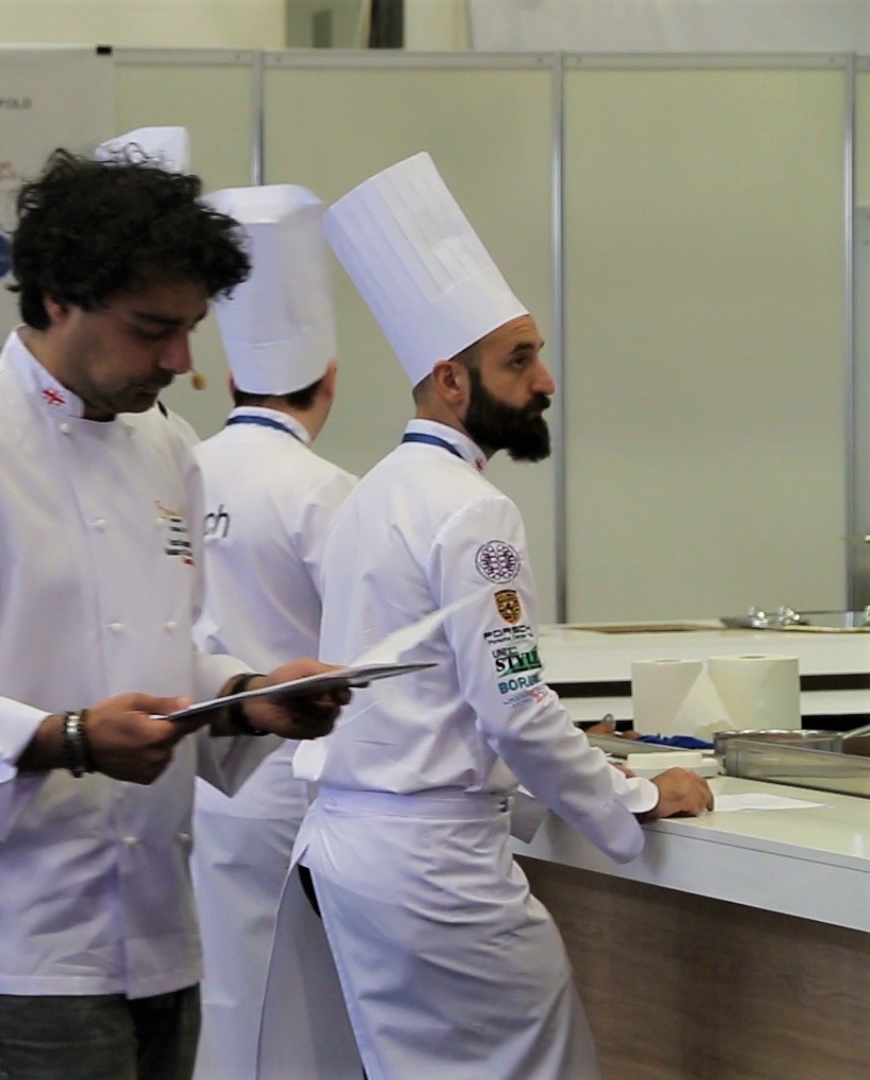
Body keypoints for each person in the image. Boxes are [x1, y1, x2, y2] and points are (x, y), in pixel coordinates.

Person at [0, 129, 348, 1080]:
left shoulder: (167, 446)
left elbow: (162, 653)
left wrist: (247, 699)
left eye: (190, 328)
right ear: (56, 299)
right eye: (153, 329)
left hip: (158, 913)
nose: (180, 359)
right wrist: (67, 737)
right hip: (17, 924)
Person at [297, 152, 714, 1079]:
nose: (545, 380)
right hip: (436, 875)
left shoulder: (373, 491)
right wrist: (639, 797)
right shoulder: (473, 508)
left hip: (357, 852)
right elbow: (515, 710)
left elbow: (435, 700)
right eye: (518, 360)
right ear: (451, 381)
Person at [186, 184, 361, 1080]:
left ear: (226, 379)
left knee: (225, 994)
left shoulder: (180, 467)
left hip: (202, 770)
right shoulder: (326, 491)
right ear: (331, 378)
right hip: (298, 786)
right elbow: (367, 653)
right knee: (298, 1008)